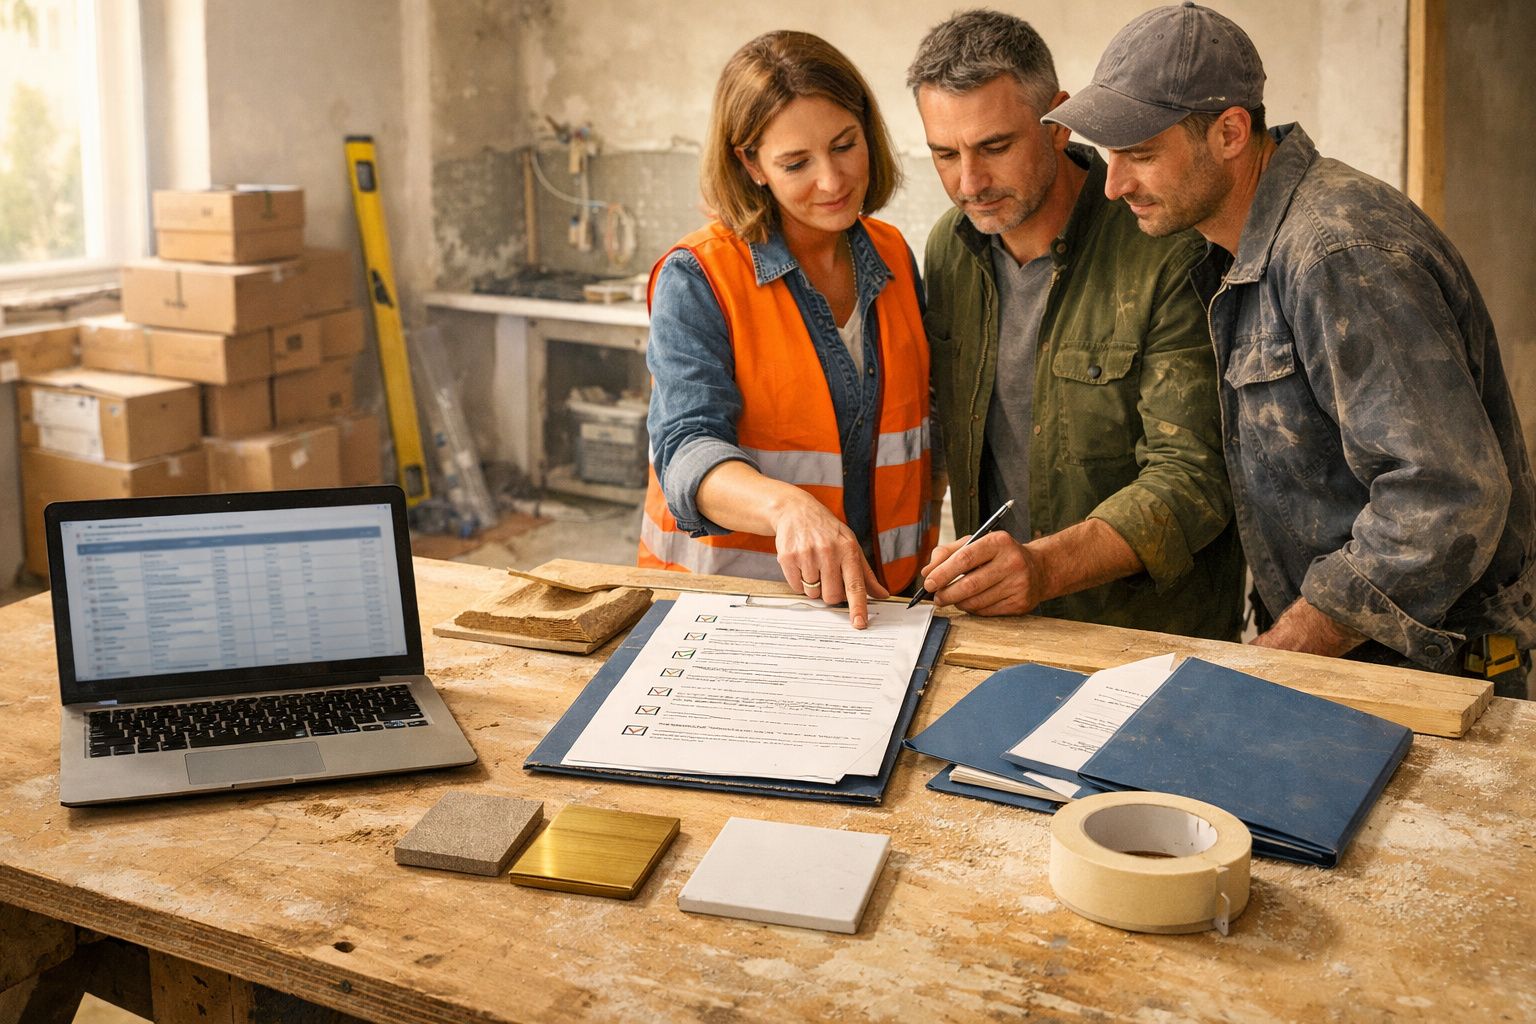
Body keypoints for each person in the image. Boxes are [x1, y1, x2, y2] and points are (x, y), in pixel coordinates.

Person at [1044, 3, 1536, 694]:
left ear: (1229, 132)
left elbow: (1444, 499)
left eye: (1141, 154)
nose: (1115, 183)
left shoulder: (1339, 252)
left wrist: (1278, 655)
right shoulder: (1236, 249)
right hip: (1348, 658)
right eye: (1109, 155)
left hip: (1434, 674)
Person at [906, 9, 1243, 639]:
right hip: (998, 630)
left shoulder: (1166, 246)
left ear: (1058, 124)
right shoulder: (950, 249)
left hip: (1147, 640)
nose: (969, 183)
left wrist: (1040, 567)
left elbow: (1194, 476)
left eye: (995, 147)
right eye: (944, 154)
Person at [640, 30, 937, 630]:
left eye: (845, 145)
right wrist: (787, 506)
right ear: (750, 164)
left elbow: (919, 427)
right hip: (732, 614)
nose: (831, 181)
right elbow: (685, 449)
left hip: (885, 605)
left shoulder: (895, 256)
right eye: (796, 163)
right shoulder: (699, 276)